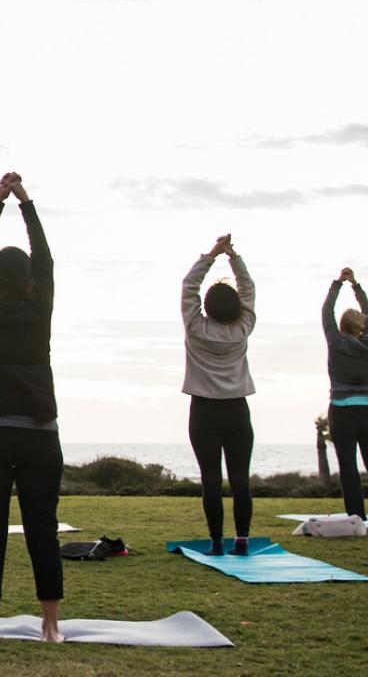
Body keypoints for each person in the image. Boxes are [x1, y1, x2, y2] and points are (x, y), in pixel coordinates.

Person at [0, 173, 62, 643]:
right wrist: (25, 203)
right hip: (39, 434)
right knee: (43, 529)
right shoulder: (38, 307)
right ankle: (50, 626)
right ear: (29, 282)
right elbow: (44, 259)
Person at [182, 232, 257, 556]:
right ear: (237, 307)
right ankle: (241, 540)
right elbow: (249, 288)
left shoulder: (196, 328)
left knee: (210, 478)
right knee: (240, 477)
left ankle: (216, 542)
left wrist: (213, 253)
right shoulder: (243, 328)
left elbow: (189, 286)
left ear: (207, 308)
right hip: (237, 410)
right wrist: (233, 257)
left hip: (204, 412)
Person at [321, 267, 368, 519]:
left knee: (348, 467)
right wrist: (356, 287)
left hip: (342, 411)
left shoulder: (335, 341)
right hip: (367, 410)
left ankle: (356, 517)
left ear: (341, 326)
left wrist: (338, 282)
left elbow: (326, 312)